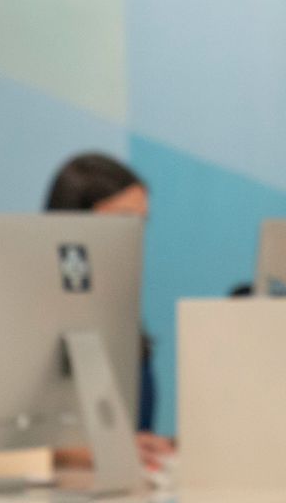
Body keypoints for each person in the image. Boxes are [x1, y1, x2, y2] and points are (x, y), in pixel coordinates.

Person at [43, 152, 174, 473]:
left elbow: (131, 424)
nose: (135, 237)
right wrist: (71, 453)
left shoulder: (120, 309)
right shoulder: (29, 311)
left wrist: (144, 443)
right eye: (122, 222)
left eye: (141, 223)